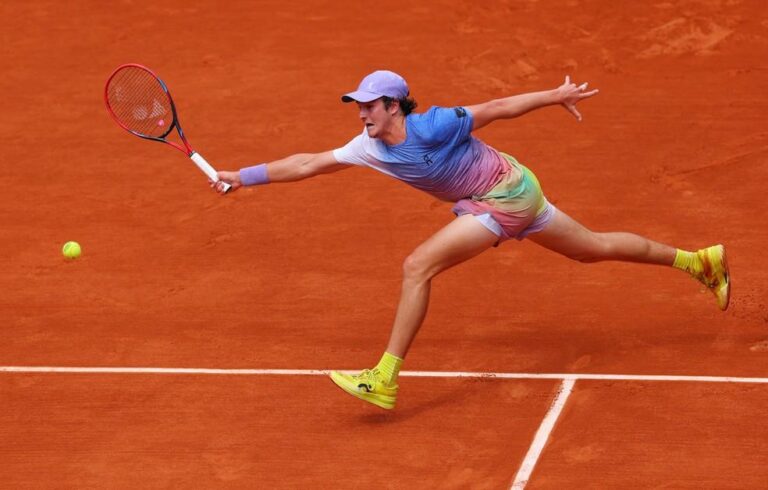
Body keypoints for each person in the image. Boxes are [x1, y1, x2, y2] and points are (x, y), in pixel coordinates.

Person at [212, 70, 730, 410]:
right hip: (509, 189)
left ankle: (385, 376)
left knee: (418, 266)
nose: (361, 113)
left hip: (504, 196)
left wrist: (555, 96)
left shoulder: (434, 125)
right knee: (591, 248)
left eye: (369, 105)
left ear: (394, 105)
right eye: (358, 106)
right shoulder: (366, 146)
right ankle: (698, 262)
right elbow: (308, 163)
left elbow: (499, 106)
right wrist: (241, 175)